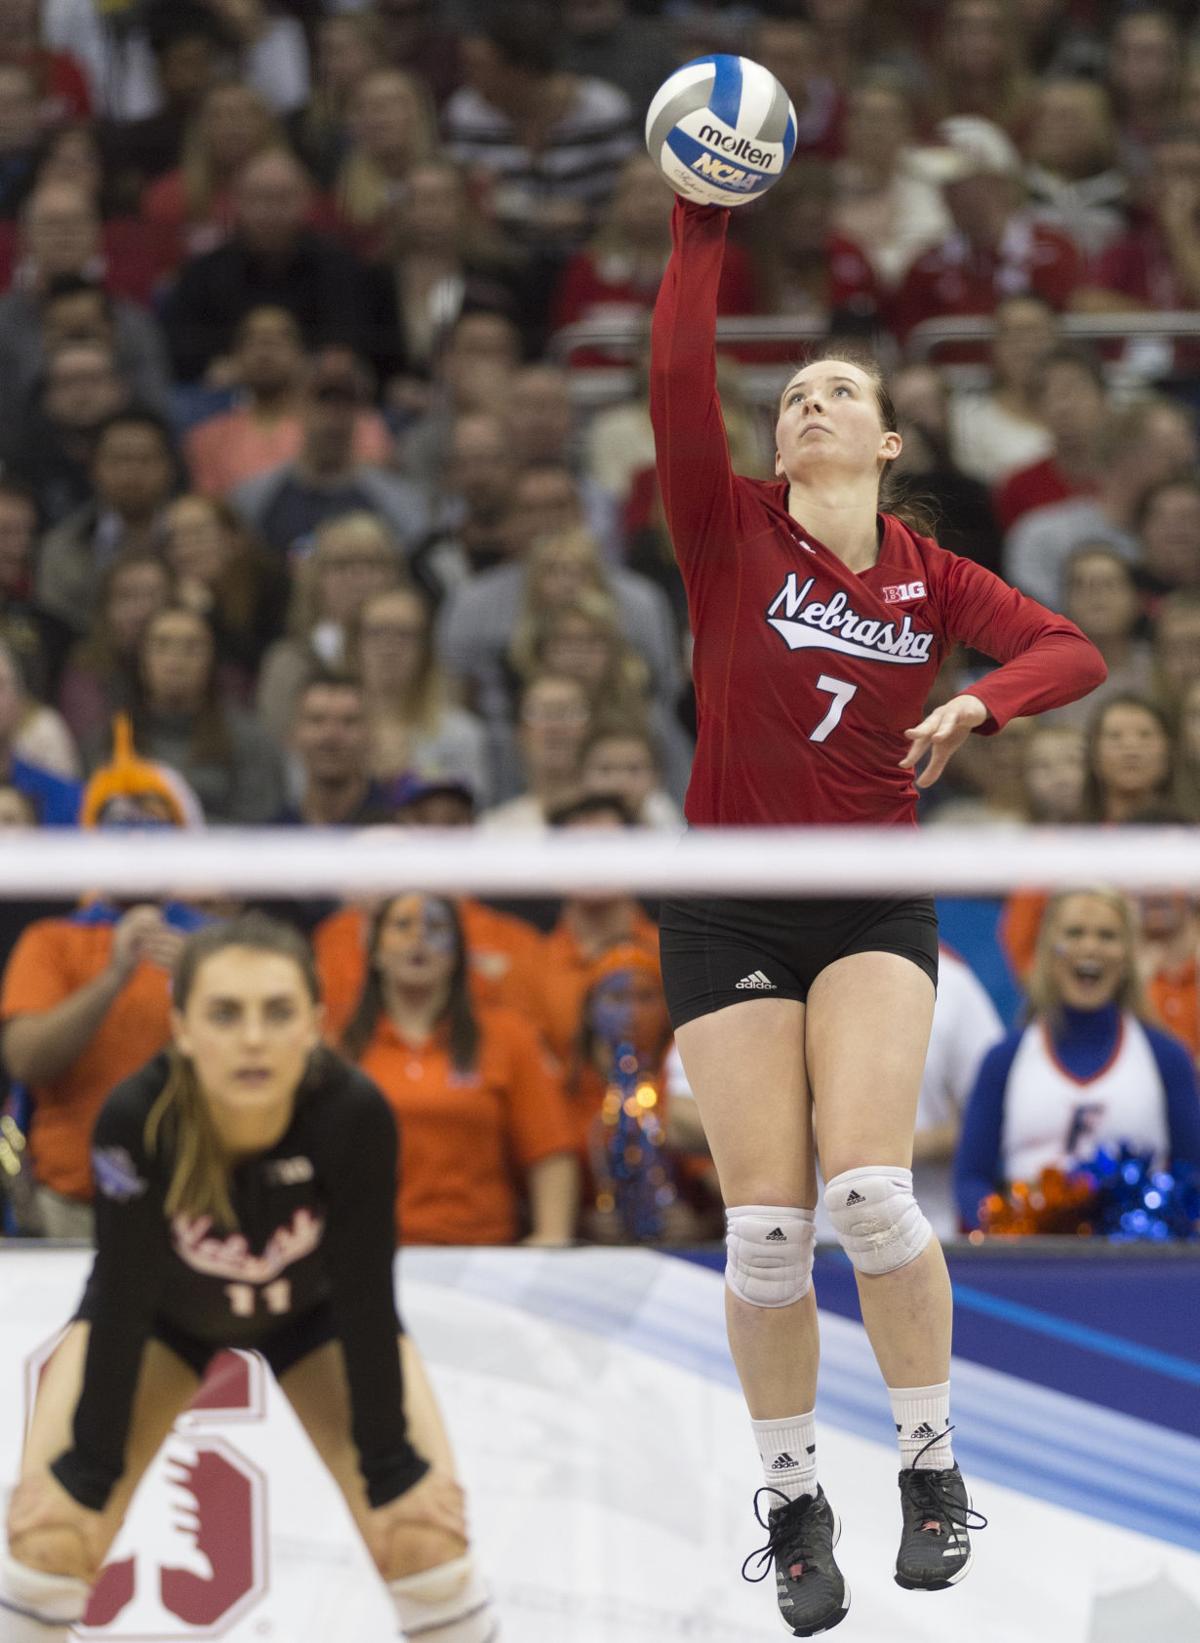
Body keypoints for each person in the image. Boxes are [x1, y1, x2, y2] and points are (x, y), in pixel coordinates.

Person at [650, 186, 1107, 1631]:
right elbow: (674, 376)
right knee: (769, 1234)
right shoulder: (724, 533)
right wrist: (696, 224)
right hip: (727, 906)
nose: (808, 405)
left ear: (891, 439)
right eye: (790, 395)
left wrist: (980, 695)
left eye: (838, 389)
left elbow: (1073, 647)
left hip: (866, 902)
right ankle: (791, 1498)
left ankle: (931, 1458)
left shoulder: (927, 578)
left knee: (868, 1190)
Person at [0, 912, 499, 1643]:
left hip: (317, 1314)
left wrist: (393, 1467)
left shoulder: (355, 1113)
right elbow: (123, 1295)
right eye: (225, 1014)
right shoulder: (135, 1118)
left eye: (278, 1012)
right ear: (181, 1027)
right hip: (162, 1316)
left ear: (314, 1024)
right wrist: (88, 1470)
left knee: (422, 1534)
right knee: (52, 1538)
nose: (254, 1037)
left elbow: (367, 1298)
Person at [341, 892, 578, 1248]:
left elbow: (550, 1151)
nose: (418, 939)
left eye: (436, 927)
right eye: (402, 925)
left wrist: (551, 1239)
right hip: (369, 1254)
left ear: (458, 952)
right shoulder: (341, 1049)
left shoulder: (509, 1038)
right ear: (374, 950)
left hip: (483, 1255)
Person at [955, 888, 1200, 1231]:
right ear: (1047, 949)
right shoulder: (1004, 1060)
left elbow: (1193, 1177)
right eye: (1074, 933)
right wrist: (1005, 1223)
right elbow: (970, 1179)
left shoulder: (1167, 1058)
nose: (1090, 947)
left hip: (1139, 1267)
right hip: (1029, 1266)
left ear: (1128, 954)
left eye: (1107, 936)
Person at [185, 306, 393, 499]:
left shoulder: (352, 424)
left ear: (302, 355)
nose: (264, 351)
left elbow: (374, 490)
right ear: (235, 356)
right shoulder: (208, 439)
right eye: (252, 340)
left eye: (278, 340)